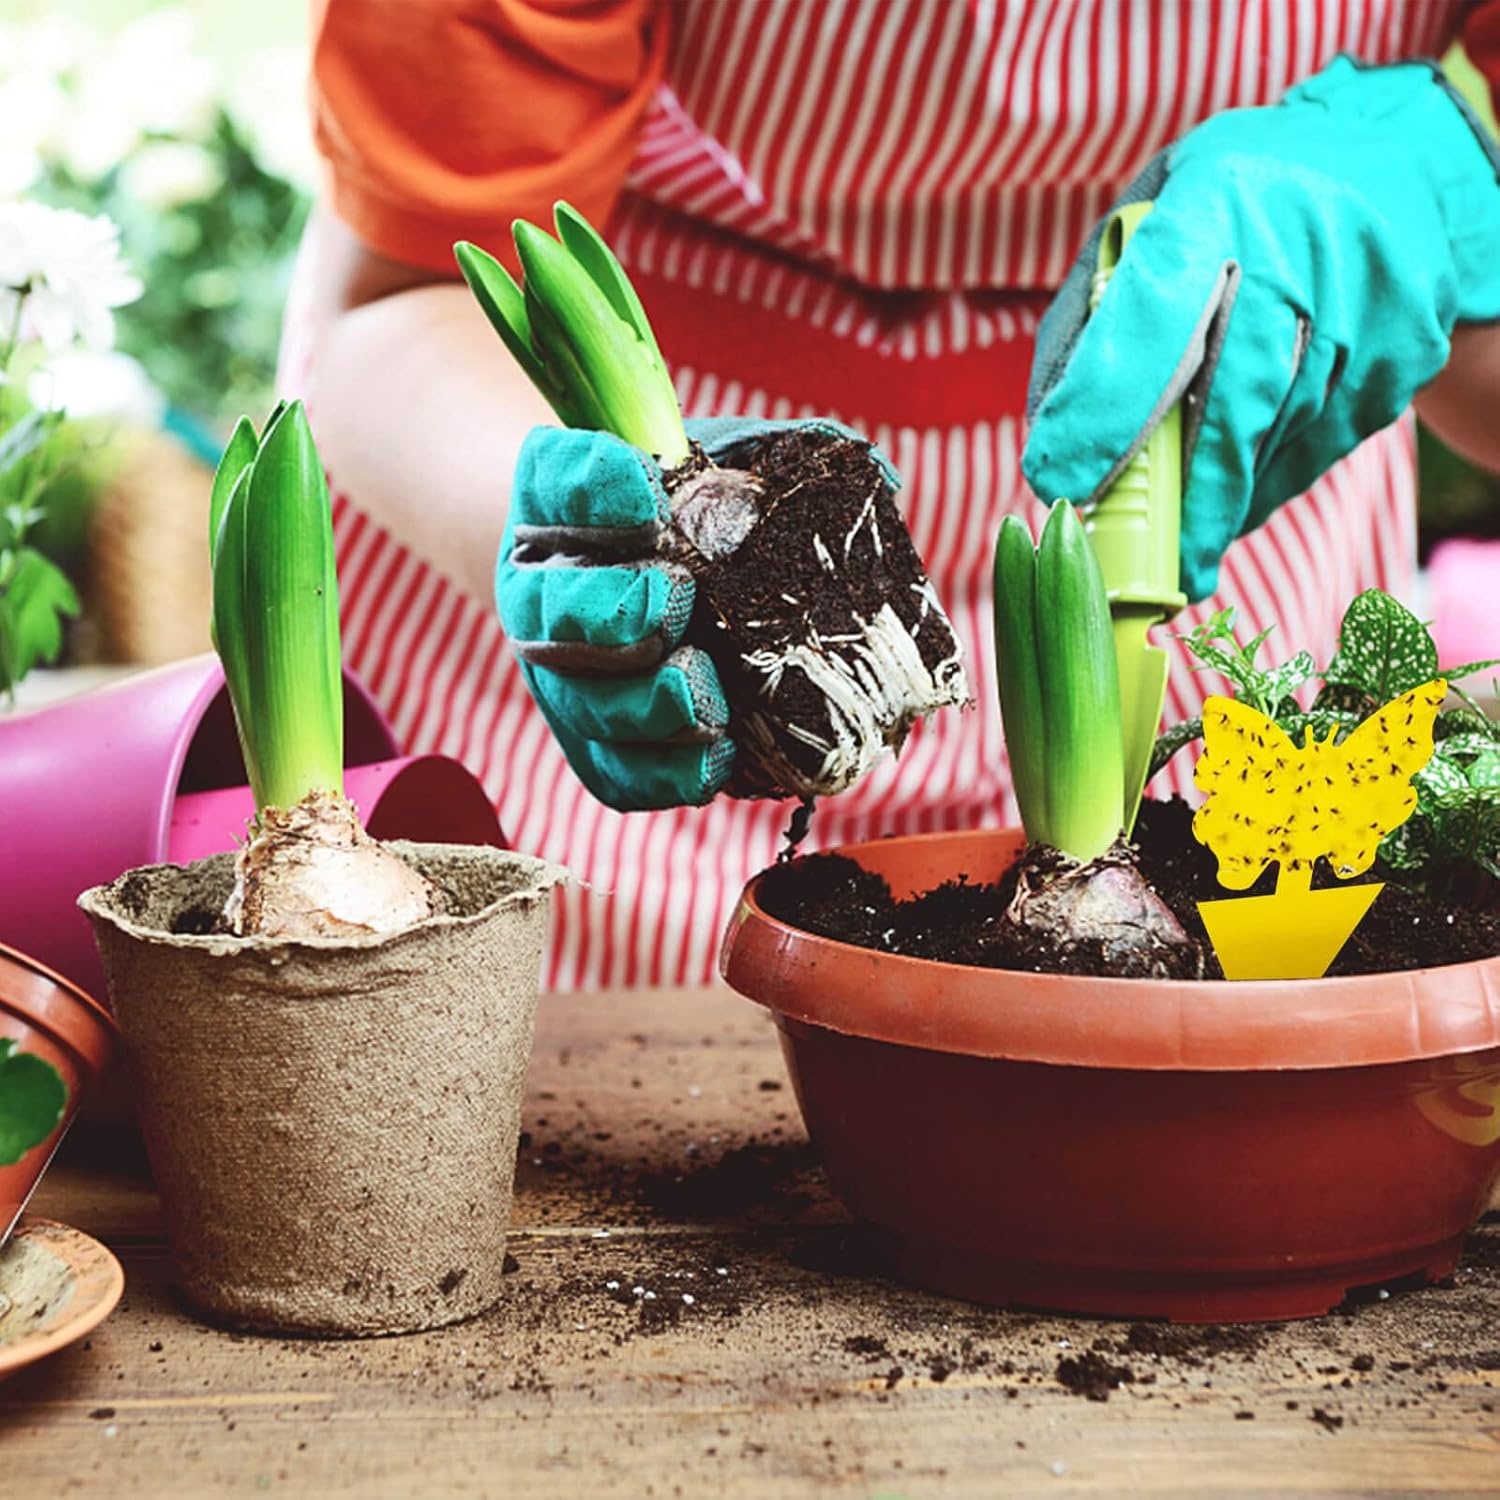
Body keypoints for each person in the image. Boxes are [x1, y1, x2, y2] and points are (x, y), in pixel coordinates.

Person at [286, 0, 1500, 991]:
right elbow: (395, 290)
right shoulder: (611, 508)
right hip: (681, 481)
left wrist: (1446, 211)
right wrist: (577, 528)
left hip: (1227, 453)